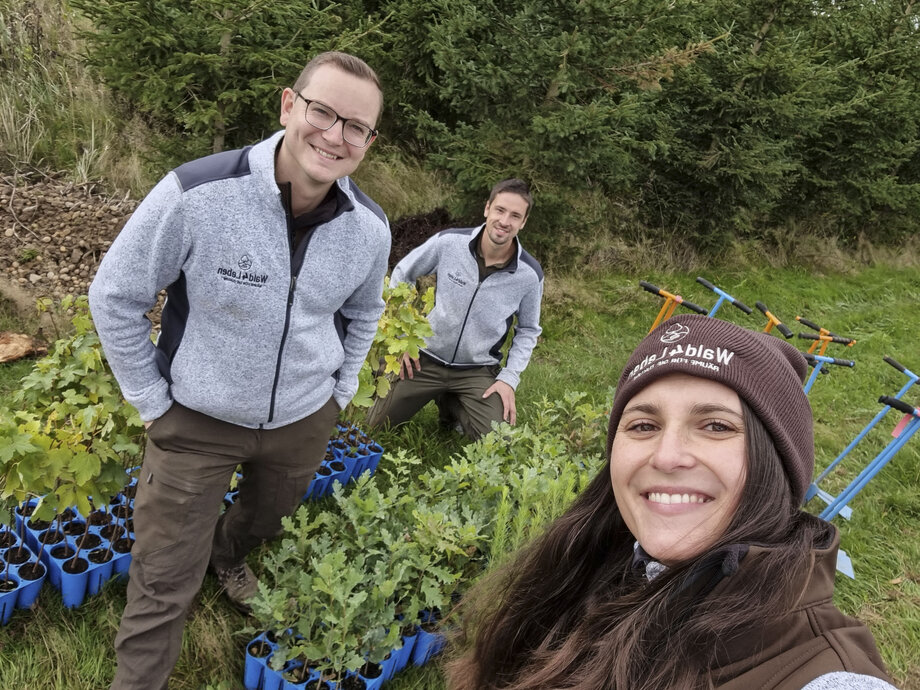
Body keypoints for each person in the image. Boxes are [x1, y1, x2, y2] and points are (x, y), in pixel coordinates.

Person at [88, 51, 390, 689]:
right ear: (288, 105)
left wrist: (341, 391)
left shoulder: (368, 229)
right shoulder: (198, 195)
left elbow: (365, 314)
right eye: (322, 112)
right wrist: (151, 401)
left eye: (356, 126)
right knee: (164, 577)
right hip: (195, 420)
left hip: (303, 421)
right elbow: (115, 294)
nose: (335, 136)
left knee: (264, 519)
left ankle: (227, 560)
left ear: (369, 140)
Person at [447, 314, 896, 690]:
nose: (666, 456)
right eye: (643, 425)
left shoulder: (825, 674)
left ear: (775, 465)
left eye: (716, 426)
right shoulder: (586, 566)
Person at [366, 178, 543, 440]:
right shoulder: (448, 243)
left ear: (523, 222)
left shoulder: (529, 275)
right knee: (370, 426)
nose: (505, 221)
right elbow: (403, 273)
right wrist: (404, 340)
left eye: (515, 215)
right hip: (422, 359)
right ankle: (441, 396)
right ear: (487, 209)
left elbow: (528, 330)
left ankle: (451, 403)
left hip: (476, 371)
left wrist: (509, 378)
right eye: (500, 210)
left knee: (498, 444)